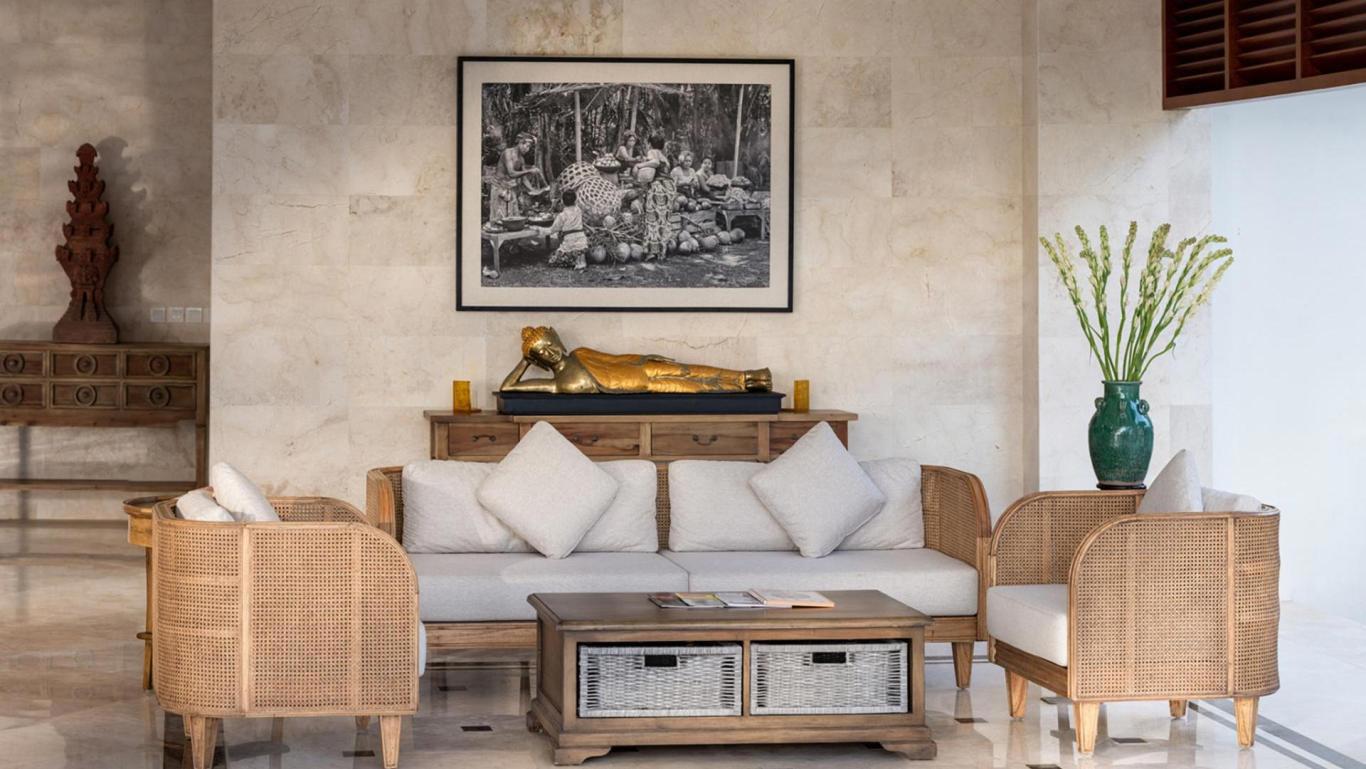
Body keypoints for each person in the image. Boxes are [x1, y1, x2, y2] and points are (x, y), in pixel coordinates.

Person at [500, 326, 773, 394]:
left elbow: (613, 358)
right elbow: (508, 388)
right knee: (694, 387)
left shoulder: (579, 353)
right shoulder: (558, 384)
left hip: (634, 368)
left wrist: (643, 357)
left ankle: (747, 375)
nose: (550, 353)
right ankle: (744, 386)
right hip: (640, 386)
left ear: (557, 341)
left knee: (687, 370)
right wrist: (525, 360)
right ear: (539, 360)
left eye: (550, 346)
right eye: (542, 353)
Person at [635, 134, 678, 260]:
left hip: (659, 188)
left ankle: (652, 252)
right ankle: (662, 251)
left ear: (650, 144)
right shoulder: (664, 156)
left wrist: (639, 166)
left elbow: (655, 162)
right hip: (669, 187)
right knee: (663, 220)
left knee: (653, 220)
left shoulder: (652, 152)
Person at [490, 132, 545, 221]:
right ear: (520, 143)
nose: (527, 149)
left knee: (513, 217)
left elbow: (524, 179)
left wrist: (533, 190)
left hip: (510, 188)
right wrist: (529, 171)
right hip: (499, 187)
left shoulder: (521, 159)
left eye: (529, 147)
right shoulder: (508, 153)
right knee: (499, 218)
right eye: (526, 146)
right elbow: (511, 173)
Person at [541, 190, 589, 270]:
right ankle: (581, 260)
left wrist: (538, 229)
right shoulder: (578, 210)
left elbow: (551, 230)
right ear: (575, 200)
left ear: (562, 202)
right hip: (582, 242)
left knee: (552, 260)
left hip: (570, 244)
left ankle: (574, 261)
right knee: (579, 247)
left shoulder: (562, 215)